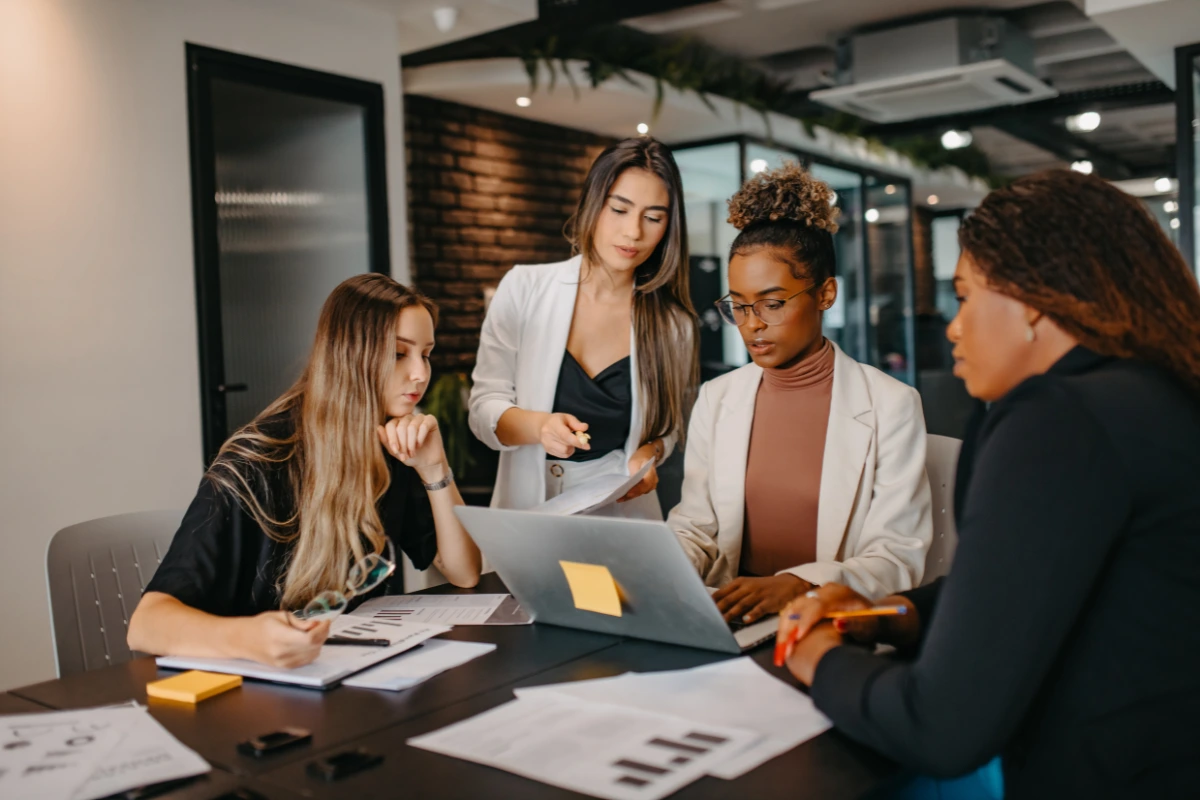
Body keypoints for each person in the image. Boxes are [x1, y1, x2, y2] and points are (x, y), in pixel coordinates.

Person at [777, 170, 1200, 797]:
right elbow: (1036, 596)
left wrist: (810, 655)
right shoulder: (1156, 398)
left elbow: (941, 725)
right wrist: (883, 615)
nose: (953, 326)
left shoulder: (1059, 420)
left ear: (1031, 300)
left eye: (966, 296)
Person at [127, 274, 482, 668]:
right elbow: (145, 625)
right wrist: (250, 637)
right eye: (400, 354)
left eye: (426, 353)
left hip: (341, 672)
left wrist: (435, 468)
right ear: (350, 355)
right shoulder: (259, 461)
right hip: (251, 684)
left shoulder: (387, 445)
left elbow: (464, 572)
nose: (420, 373)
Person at [669, 162, 932, 624]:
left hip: (824, 622)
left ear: (825, 293)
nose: (752, 323)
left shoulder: (891, 404)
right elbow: (696, 527)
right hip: (730, 618)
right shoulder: (718, 397)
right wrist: (660, 570)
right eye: (739, 305)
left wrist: (799, 586)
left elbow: (896, 557)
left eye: (772, 303)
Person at [468, 137, 698, 518]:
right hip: (529, 511)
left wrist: (650, 453)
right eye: (620, 210)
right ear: (594, 203)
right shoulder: (524, 288)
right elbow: (482, 411)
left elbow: (669, 427)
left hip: (622, 515)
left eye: (653, 217)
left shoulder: (673, 324)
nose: (633, 233)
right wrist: (539, 427)